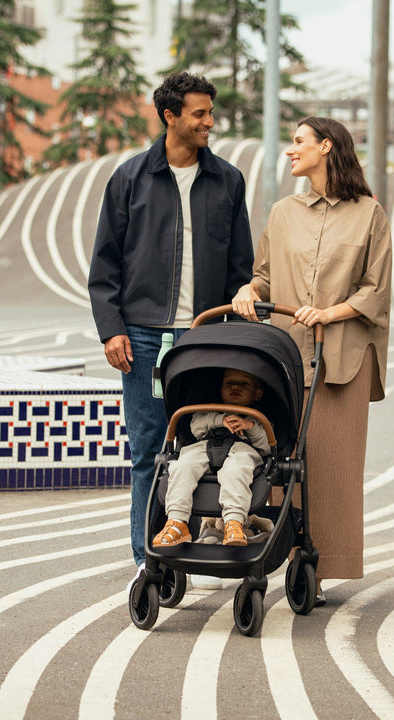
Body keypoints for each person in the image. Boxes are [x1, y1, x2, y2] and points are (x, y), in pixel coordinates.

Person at [88, 72, 254, 588]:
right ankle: (147, 557)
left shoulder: (227, 180)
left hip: (206, 337)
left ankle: (196, 538)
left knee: (209, 443)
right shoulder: (130, 179)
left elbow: (240, 267)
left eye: (210, 113)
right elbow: (106, 263)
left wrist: (232, 335)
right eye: (200, 113)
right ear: (170, 116)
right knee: (147, 448)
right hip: (141, 336)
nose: (210, 122)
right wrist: (111, 328)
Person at [231, 116, 392, 606]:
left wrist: (329, 312)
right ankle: (289, 555)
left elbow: (376, 290)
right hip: (286, 358)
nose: (289, 150)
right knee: (287, 463)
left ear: (326, 146)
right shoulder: (282, 212)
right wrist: (246, 290)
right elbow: (262, 276)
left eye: (298, 141)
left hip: (342, 358)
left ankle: (320, 565)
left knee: (332, 466)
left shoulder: (369, 214)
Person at [153, 368, 269, 548]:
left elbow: (267, 445)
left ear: (258, 393)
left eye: (244, 384)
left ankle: (233, 523)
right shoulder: (207, 411)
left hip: (242, 450)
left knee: (236, 471)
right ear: (220, 390)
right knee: (182, 465)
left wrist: (250, 426)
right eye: (229, 383)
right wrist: (219, 420)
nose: (236, 386)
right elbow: (195, 427)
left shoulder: (260, 419)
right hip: (205, 446)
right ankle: (177, 522)